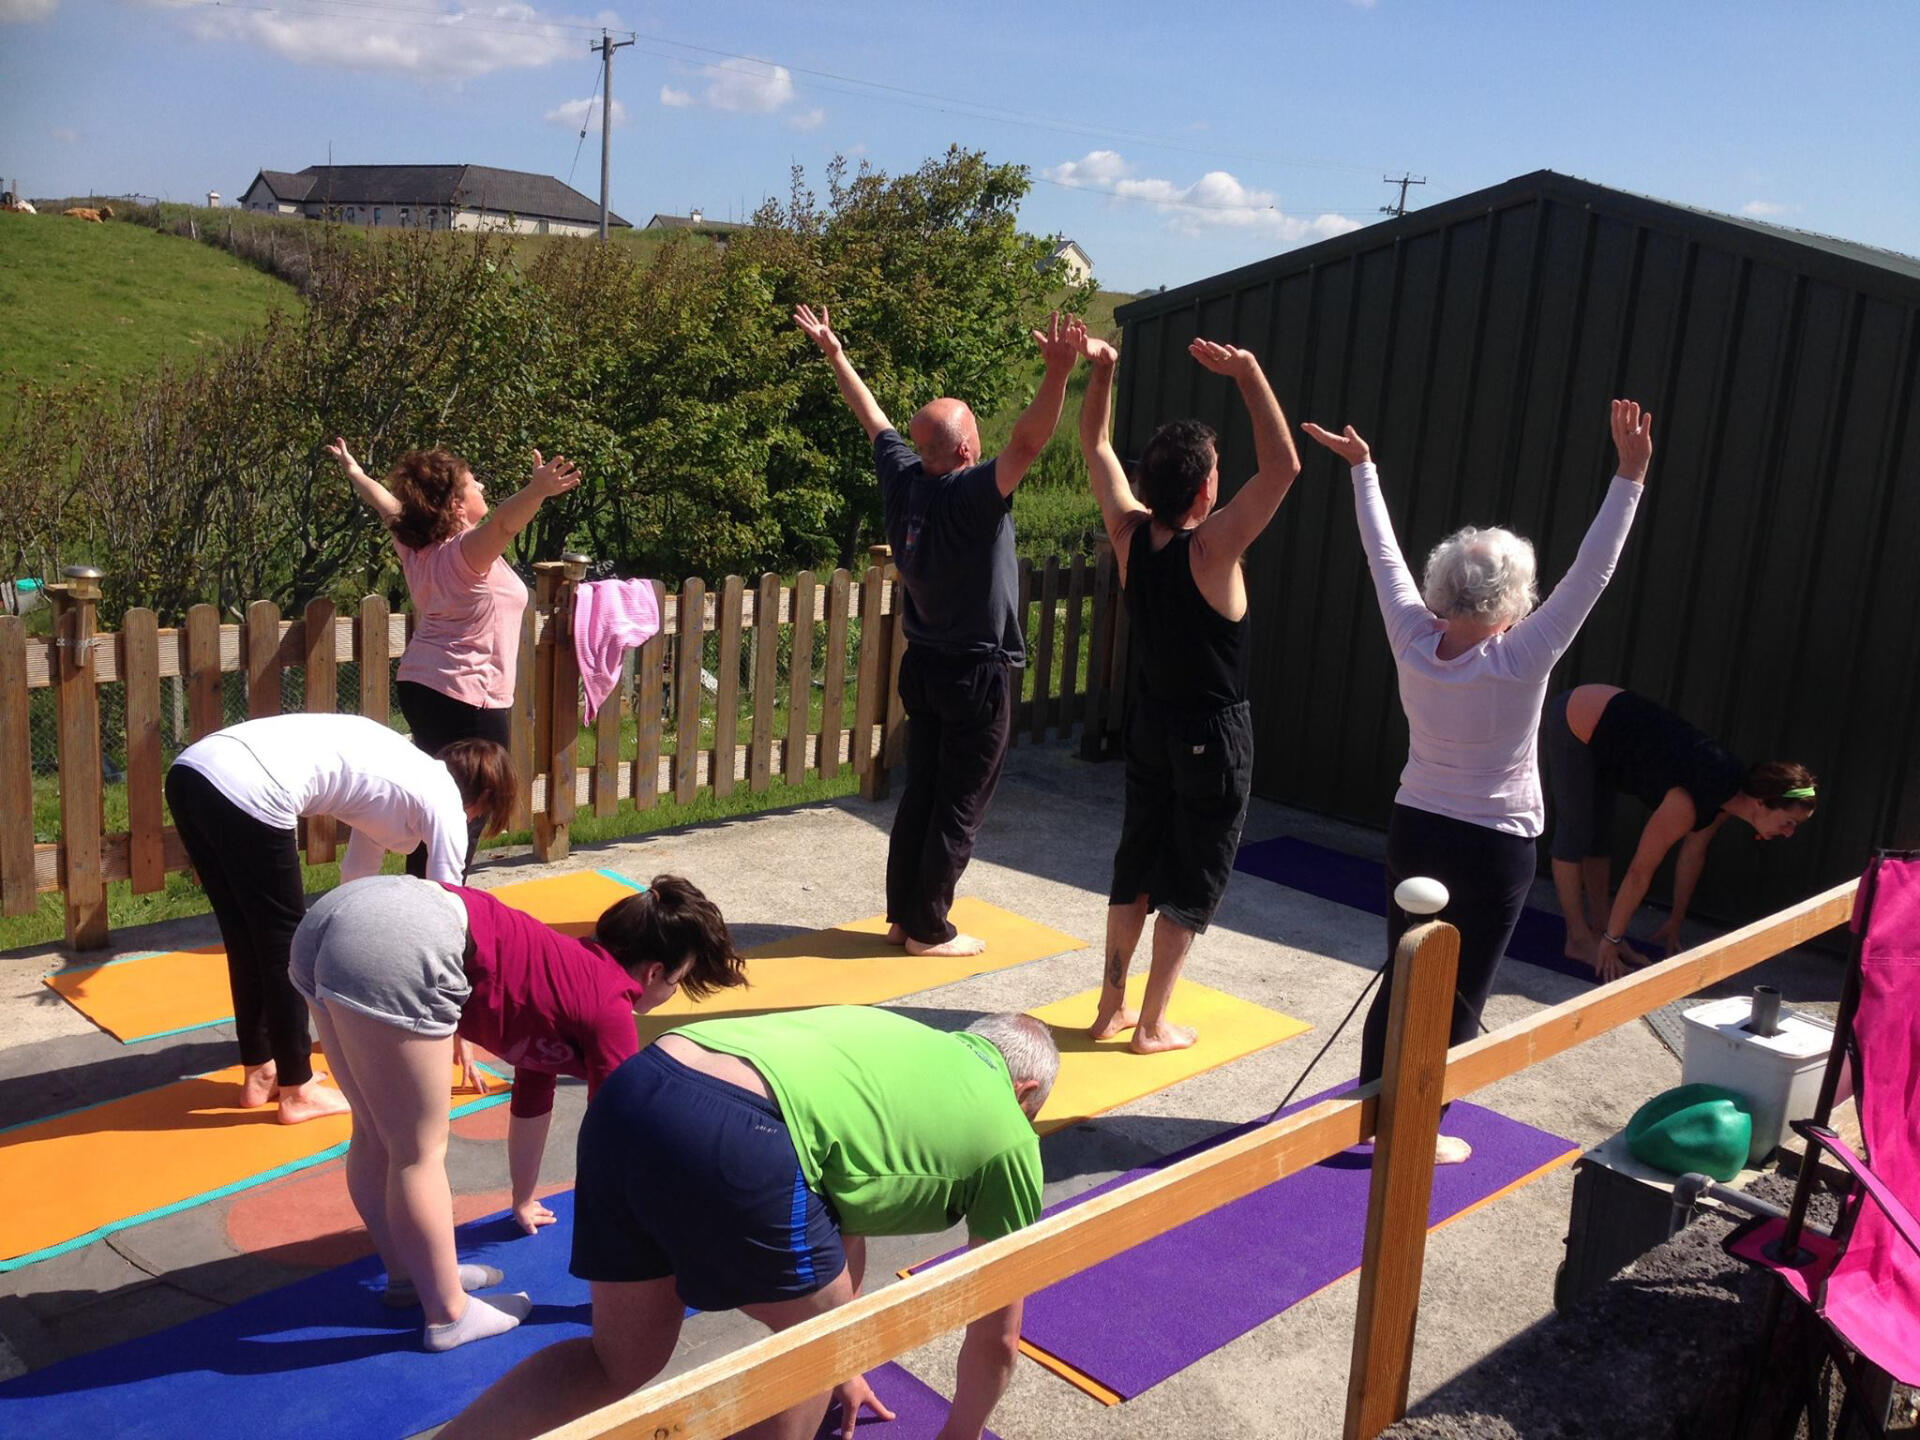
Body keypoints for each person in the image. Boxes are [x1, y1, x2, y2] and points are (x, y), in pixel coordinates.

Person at [438, 1004, 1058, 1438]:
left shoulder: (898, 1046)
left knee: (614, 1362)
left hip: (638, 1087)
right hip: (739, 1127)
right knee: (814, 1348)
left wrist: (846, 1365)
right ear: (1025, 1091)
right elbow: (998, 1332)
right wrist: (961, 1434)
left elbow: (841, 1213)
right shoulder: (1010, 1136)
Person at [1301, 400, 1653, 1162]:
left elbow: (1381, 554)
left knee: (1402, 974)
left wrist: (1364, 471)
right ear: (1514, 600)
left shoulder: (1411, 634)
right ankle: (1414, 1131)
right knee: (1459, 990)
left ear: (1443, 587)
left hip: (1416, 827)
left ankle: (1369, 1105)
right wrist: (1629, 475)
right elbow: (1595, 571)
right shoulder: (1522, 658)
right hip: (1494, 848)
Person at [290, 871, 746, 1352]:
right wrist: (650, 1258)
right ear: (654, 972)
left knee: (378, 1134)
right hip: (402, 935)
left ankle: (410, 1275)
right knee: (416, 1151)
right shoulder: (611, 1006)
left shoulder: (566, 975)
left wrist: (523, 1198)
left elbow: (533, 1091)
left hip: (335, 918)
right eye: (677, 981)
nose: (674, 992)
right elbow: (618, 1144)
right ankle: (448, 1315)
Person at [794, 302, 1081, 958]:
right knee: (959, 803)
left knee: (921, 792)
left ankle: (905, 916)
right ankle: (927, 927)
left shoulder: (903, 480)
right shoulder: (971, 495)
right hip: (977, 673)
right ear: (969, 450)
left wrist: (836, 354)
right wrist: (1058, 374)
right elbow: (1030, 442)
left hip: (923, 666)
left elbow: (871, 416)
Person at [1078, 334, 1302, 1053]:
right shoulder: (1213, 550)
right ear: (1206, 490)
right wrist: (1250, 370)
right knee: (1192, 876)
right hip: (1213, 732)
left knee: (1136, 859)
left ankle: (1110, 1007)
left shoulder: (1127, 533)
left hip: (1151, 725)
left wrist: (1104, 372)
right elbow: (1285, 466)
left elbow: (1095, 445)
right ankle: (1151, 1025)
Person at [165, 713, 517, 1123]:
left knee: (245, 932)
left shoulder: (402, 778)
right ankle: (298, 1089)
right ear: (484, 797)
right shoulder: (443, 800)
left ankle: (261, 1069)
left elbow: (354, 881)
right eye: (483, 815)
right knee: (284, 941)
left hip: (192, 772)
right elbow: (449, 913)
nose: (474, 823)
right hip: (249, 784)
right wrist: (461, 1025)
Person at [325, 437, 580, 876]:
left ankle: (422, 894)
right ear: (458, 507)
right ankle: (440, 902)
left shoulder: (417, 547)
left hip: (424, 687)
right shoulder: (465, 553)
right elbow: (503, 525)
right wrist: (537, 490)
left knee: (435, 797)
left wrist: (356, 474)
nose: (481, 483)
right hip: (468, 697)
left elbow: (388, 507)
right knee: (468, 806)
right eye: (471, 482)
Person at [1543, 684, 1818, 979]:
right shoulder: (1691, 800)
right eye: (1789, 822)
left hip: (1610, 730)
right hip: (1578, 718)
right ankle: (1579, 939)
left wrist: (1675, 919)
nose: (1789, 833)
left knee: (1598, 837)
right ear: (1763, 803)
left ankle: (1603, 930)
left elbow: (1693, 854)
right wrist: (1612, 942)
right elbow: (1639, 871)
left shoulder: (1727, 798)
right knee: (1576, 835)